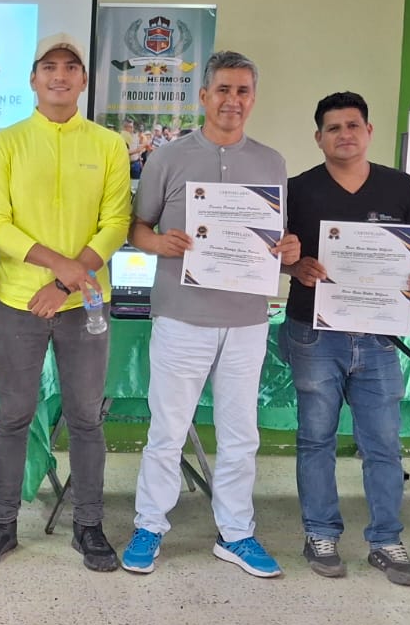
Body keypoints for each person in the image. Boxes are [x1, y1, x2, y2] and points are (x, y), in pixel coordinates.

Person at [120, 50, 299, 578]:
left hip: (247, 320)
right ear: (203, 96)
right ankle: (150, 525)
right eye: (223, 89)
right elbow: (136, 228)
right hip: (181, 316)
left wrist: (289, 249)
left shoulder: (272, 162)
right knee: (168, 430)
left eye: (243, 91)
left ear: (253, 98)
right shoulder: (168, 157)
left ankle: (236, 533)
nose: (232, 100)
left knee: (241, 433)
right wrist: (159, 243)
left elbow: (276, 238)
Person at [0, 33, 132, 572]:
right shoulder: (7, 143)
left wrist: (65, 281)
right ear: (33, 79)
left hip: (84, 304)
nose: (59, 75)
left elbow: (117, 223)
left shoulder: (108, 145)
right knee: (13, 415)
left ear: (83, 80)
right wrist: (59, 266)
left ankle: (89, 525)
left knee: (85, 417)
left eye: (70, 67)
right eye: (49, 67)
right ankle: (1, 523)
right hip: (19, 300)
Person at [279, 91, 410, 586]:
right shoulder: (297, 189)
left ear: (368, 131)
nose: (344, 134)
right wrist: (295, 267)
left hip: (379, 336)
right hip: (313, 333)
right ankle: (319, 533)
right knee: (316, 438)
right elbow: (278, 254)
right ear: (318, 137)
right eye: (333, 128)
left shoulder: (399, 185)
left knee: (383, 443)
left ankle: (386, 540)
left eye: (353, 125)